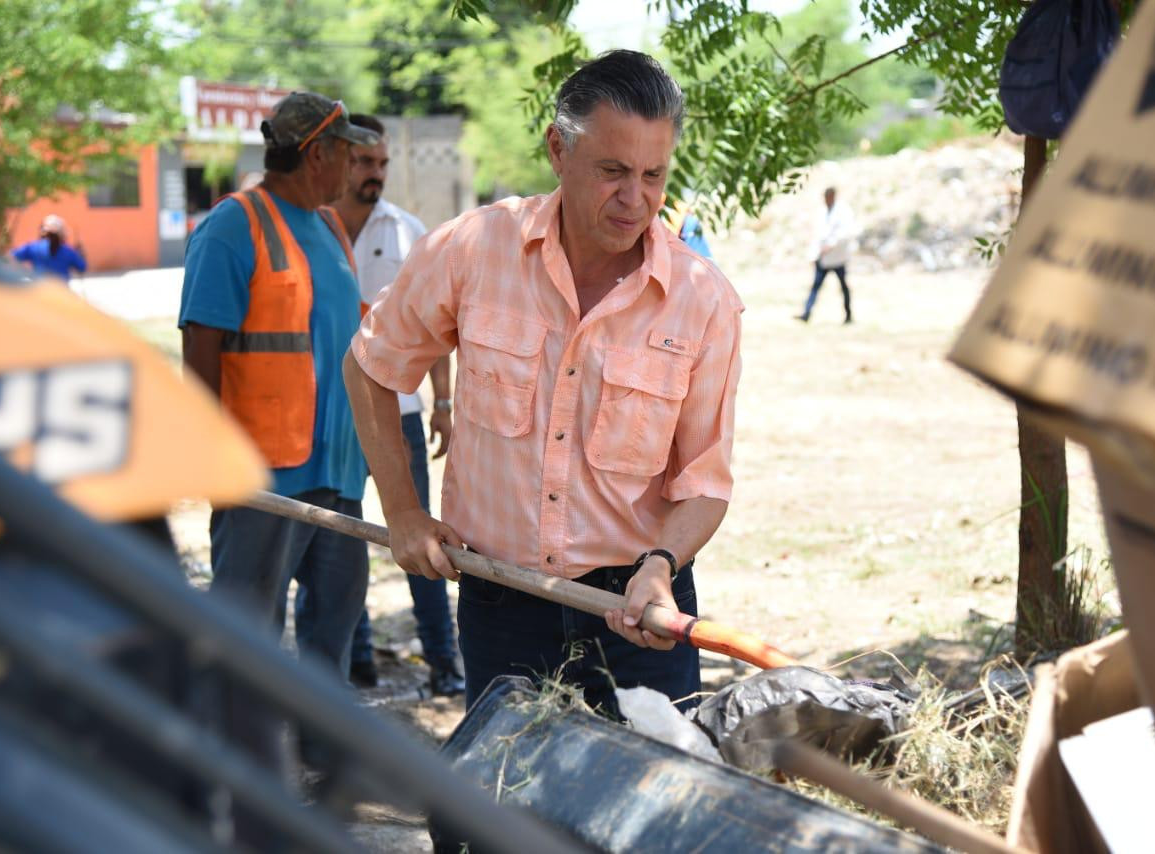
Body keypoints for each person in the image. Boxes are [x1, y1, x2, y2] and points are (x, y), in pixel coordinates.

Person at [344, 50, 744, 716]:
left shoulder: (703, 300)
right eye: (613, 171)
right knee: (501, 805)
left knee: (652, 807)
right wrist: (404, 511)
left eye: (654, 175)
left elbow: (705, 483)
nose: (635, 199)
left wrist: (660, 567)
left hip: (637, 607)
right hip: (502, 599)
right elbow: (372, 364)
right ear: (558, 149)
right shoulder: (472, 248)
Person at [178, 92, 379, 687]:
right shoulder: (233, 226)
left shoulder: (330, 228)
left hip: (339, 476)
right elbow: (201, 348)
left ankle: (326, 764)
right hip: (263, 478)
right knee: (248, 640)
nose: (353, 168)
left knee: (333, 633)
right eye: (348, 153)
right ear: (318, 153)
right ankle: (236, 766)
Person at [296, 112, 465, 696]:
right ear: (343, 162)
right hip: (332, 416)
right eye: (364, 162)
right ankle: (358, 660)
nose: (375, 174)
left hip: (404, 415)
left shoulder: (409, 231)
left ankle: (445, 662)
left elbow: (438, 326)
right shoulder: (310, 230)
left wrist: (443, 400)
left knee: (419, 536)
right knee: (342, 540)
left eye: (383, 164)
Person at [797, 187, 856, 324]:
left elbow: (845, 233)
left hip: (838, 257)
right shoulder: (822, 212)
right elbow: (818, 235)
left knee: (843, 287)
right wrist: (814, 254)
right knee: (815, 286)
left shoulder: (843, 211)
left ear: (833, 196)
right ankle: (806, 313)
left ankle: (848, 315)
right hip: (823, 258)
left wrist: (830, 245)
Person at [11, 214, 87, 281]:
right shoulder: (68, 251)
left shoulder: (32, 247)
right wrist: (80, 253)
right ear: (61, 234)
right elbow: (82, 267)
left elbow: (11, 257)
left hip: (38, 292)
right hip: (61, 293)